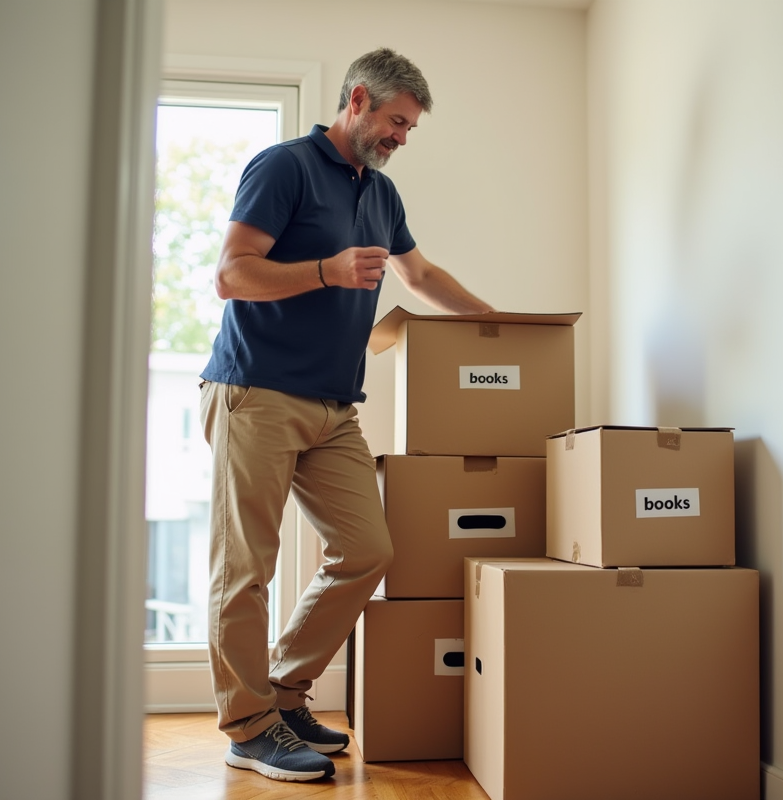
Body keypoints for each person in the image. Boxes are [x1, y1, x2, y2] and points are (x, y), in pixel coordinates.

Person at [198, 47, 494, 783]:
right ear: (358, 101)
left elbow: (418, 274)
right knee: (245, 571)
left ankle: (284, 694)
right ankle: (247, 726)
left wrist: (498, 322)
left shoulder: (380, 195)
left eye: (410, 129)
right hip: (256, 394)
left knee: (367, 549)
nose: (401, 137)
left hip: (334, 407)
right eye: (396, 122)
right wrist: (325, 271)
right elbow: (232, 275)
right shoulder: (284, 167)